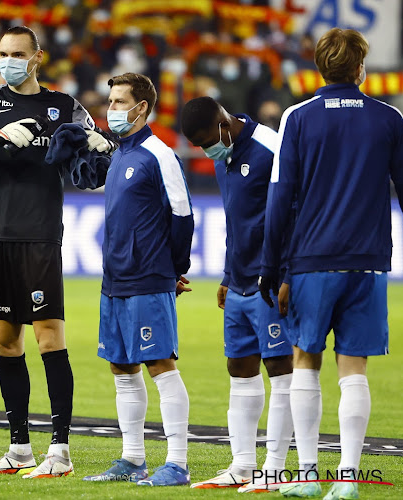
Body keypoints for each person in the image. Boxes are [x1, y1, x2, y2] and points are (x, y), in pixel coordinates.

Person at [0, 25, 114, 478]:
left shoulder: (63, 107)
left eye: (18, 53)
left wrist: (103, 146)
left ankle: (60, 449)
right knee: (4, 340)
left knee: (48, 337)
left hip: (40, 234)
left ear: (38, 57)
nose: (8, 60)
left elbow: (96, 164)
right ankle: (19, 448)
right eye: (2, 53)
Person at [259, 28, 403, 499]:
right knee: (354, 368)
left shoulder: (297, 117)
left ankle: (305, 476)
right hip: (367, 261)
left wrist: (270, 268)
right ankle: (347, 480)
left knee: (305, 360)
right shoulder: (389, 118)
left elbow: (280, 198)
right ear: (360, 67)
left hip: (311, 260)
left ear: (319, 66)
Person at [81, 73, 194, 487]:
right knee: (122, 366)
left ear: (141, 107)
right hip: (115, 280)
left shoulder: (158, 154)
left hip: (148, 277)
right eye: (110, 101)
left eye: (119, 102)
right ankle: (132, 459)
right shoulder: (119, 155)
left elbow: (182, 216)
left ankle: (178, 464)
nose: (111, 110)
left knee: (160, 365)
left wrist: (173, 270)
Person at [181, 96, 294, 492]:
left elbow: (295, 212)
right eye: (195, 143)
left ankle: (276, 468)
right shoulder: (221, 154)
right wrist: (228, 274)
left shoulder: (271, 146)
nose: (203, 148)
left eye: (204, 139)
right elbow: (237, 220)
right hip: (241, 281)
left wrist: (288, 274)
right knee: (239, 369)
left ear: (223, 124)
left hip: (271, 281)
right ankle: (243, 466)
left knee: (280, 369)